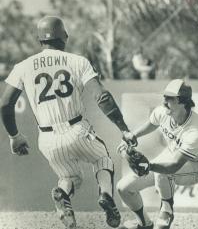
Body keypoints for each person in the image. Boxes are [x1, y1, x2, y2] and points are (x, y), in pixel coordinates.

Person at [0, 16, 136, 229]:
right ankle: (106, 196)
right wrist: (123, 129)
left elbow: (5, 104)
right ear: (64, 37)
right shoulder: (77, 61)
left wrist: (14, 136)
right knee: (103, 160)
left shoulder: (23, 66)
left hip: (47, 139)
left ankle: (62, 193)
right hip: (77, 129)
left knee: (70, 177)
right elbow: (103, 97)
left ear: (39, 40)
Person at [116, 79, 198, 229]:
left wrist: (149, 166)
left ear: (182, 101)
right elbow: (152, 124)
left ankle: (167, 209)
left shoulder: (195, 129)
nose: (164, 100)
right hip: (170, 157)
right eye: (164, 96)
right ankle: (144, 224)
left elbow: (173, 166)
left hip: (196, 166)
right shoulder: (163, 111)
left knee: (162, 172)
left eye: (170, 98)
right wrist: (133, 136)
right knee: (124, 188)